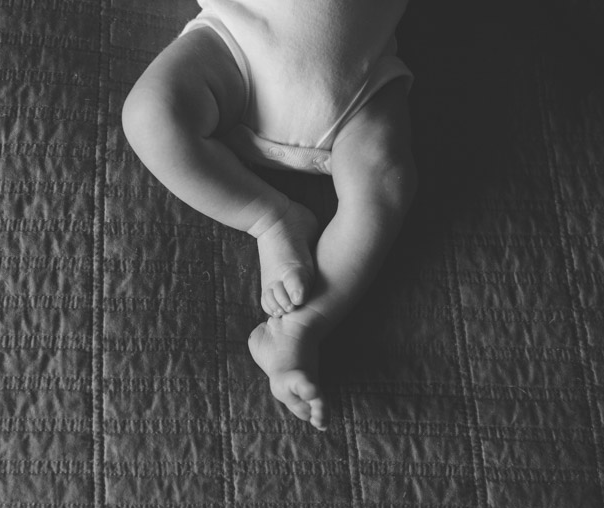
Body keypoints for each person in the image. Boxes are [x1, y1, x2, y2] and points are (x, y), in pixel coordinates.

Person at [122, 0, 417, 431]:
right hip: (237, 50)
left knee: (388, 181)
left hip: (361, 89)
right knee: (149, 115)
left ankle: (299, 327)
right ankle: (271, 218)